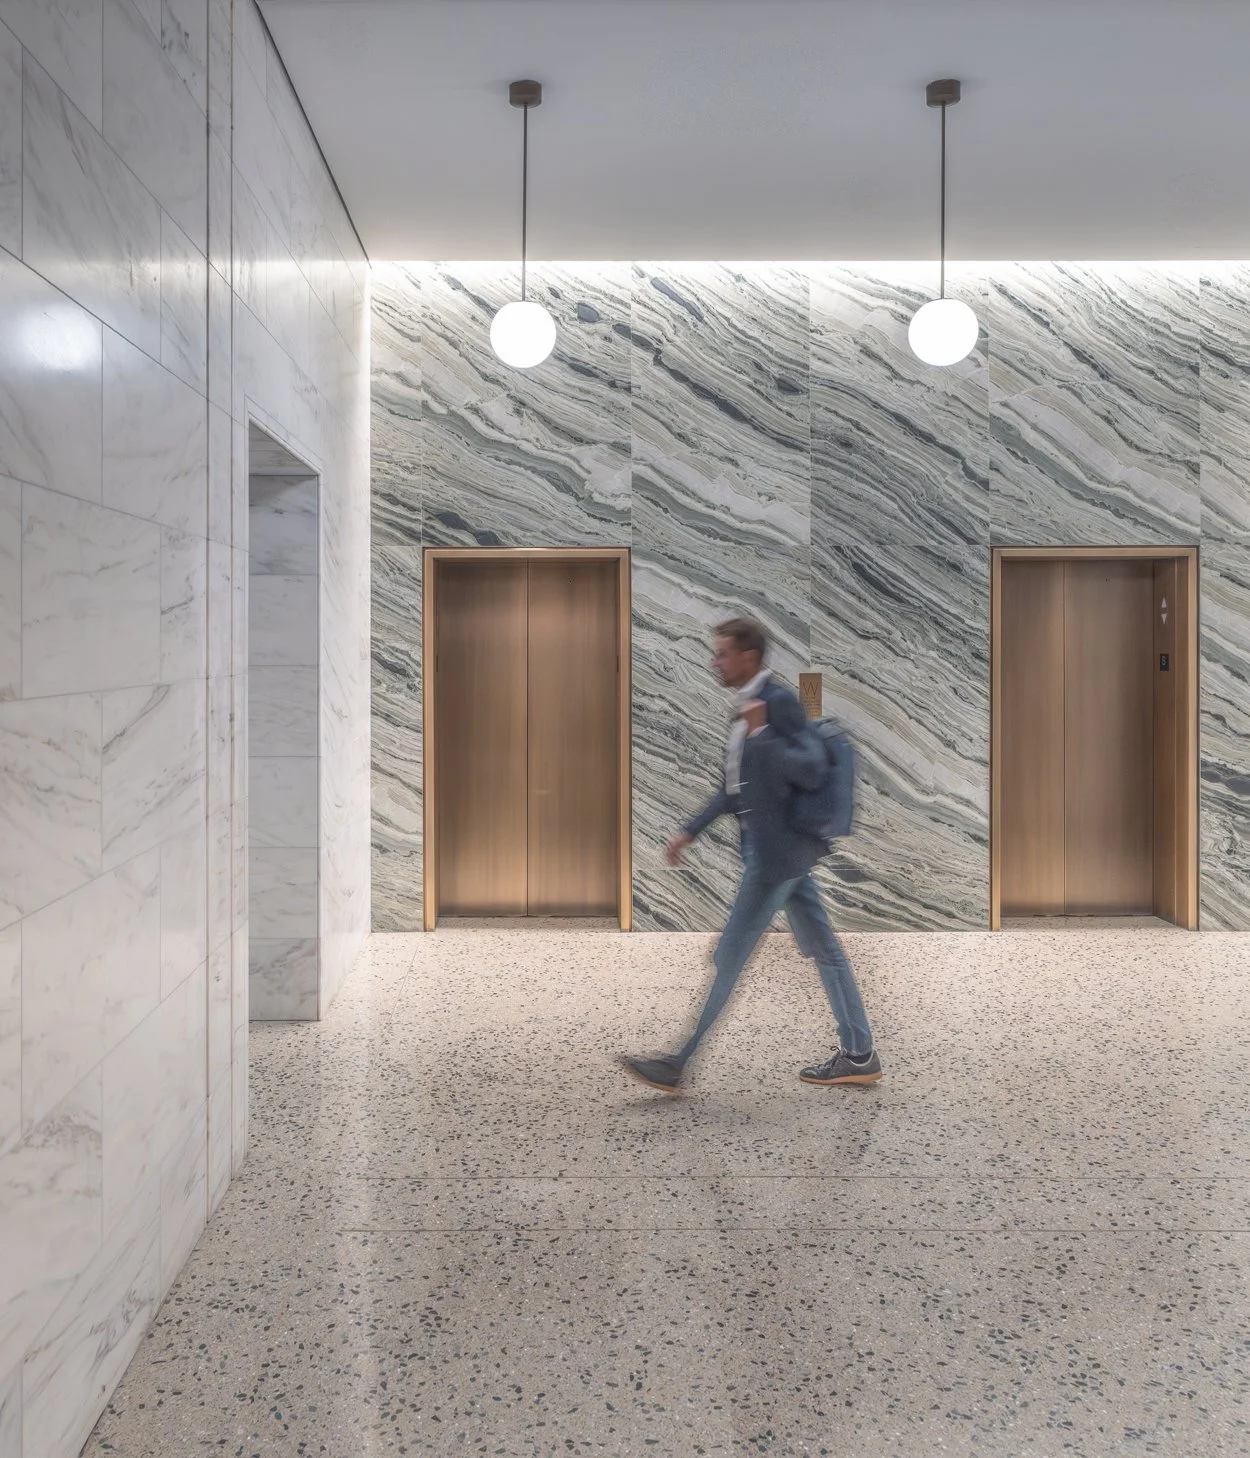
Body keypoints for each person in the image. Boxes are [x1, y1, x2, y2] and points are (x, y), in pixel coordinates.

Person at [623, 617, 881, 1093]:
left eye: (722, 653)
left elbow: (809, 768)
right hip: (781, 856)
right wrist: (690, 831)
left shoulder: (776, 703)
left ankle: (677, 1062)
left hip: (775, 860)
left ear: (749, 657)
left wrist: (763, 734)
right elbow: (734, 788)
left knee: (731, 956)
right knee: (825, 950)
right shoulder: (746, 706)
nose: (714, 662)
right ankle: (860, 1055)